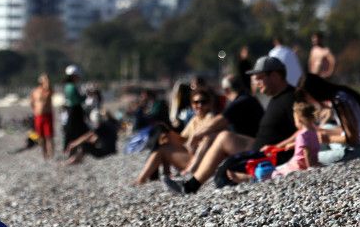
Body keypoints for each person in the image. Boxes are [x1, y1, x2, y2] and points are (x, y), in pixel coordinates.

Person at [164, 57, 297, 195]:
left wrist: (280, 146)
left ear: (275, 75)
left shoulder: (290, 99)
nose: (256, 83)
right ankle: (191, 184)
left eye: (259, 78)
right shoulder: (276, 98)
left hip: (273, 155)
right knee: (223, 158)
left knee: (224, 172)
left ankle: (191, 185)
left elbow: (304, 130)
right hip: (260, 148)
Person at [131, 88, 219, 184]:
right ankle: (160, 175)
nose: (199, 105)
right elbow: (182, 138)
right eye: (196, 102)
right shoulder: (196, 119)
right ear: (192, 104)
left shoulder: (211, 118)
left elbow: (202, 142)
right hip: (192, 157)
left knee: (161, 149)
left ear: (209, 104)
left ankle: (145, 179)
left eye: (203, 102)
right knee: (162, 141)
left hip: (202, 162)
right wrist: (167, 133)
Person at [300, 73, 360, 164]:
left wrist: (327, 138)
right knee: (326, 128)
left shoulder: (340, 101)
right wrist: (321, 131)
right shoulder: (342, 94)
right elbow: (348, 129)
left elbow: (353, 138)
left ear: (313, 93)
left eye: (307, 98)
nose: (309, 102)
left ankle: (321, 157)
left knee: (306, 158)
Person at [274, 101, 321, 176]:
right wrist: (293, 145)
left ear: (299, 120)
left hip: (300, 163)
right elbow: (308, 143)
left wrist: (310, 167)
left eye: (294, 119)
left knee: (277, 171)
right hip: (313, 158)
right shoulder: (313, 130)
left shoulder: (302, 134)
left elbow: (307, 152)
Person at [62, 65, 88, 153]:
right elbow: (77, 100)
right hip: (75, 110)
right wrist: (84, 96)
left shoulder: (67, 86)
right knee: (78, 129)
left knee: (71, 129)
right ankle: (77, 147)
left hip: (71, 109)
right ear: (74, 76)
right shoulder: (72, 87)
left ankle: (70, 148)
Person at [30, 74, 54, 159]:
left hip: (47, 115)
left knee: (49, 136)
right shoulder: (35, 91)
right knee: (41, 137)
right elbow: (32, 103)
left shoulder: (47, 91)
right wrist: (35, 111)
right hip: (38, 116)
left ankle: (51, 154)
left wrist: (46, 79)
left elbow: (49, 89)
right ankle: (44, 154)